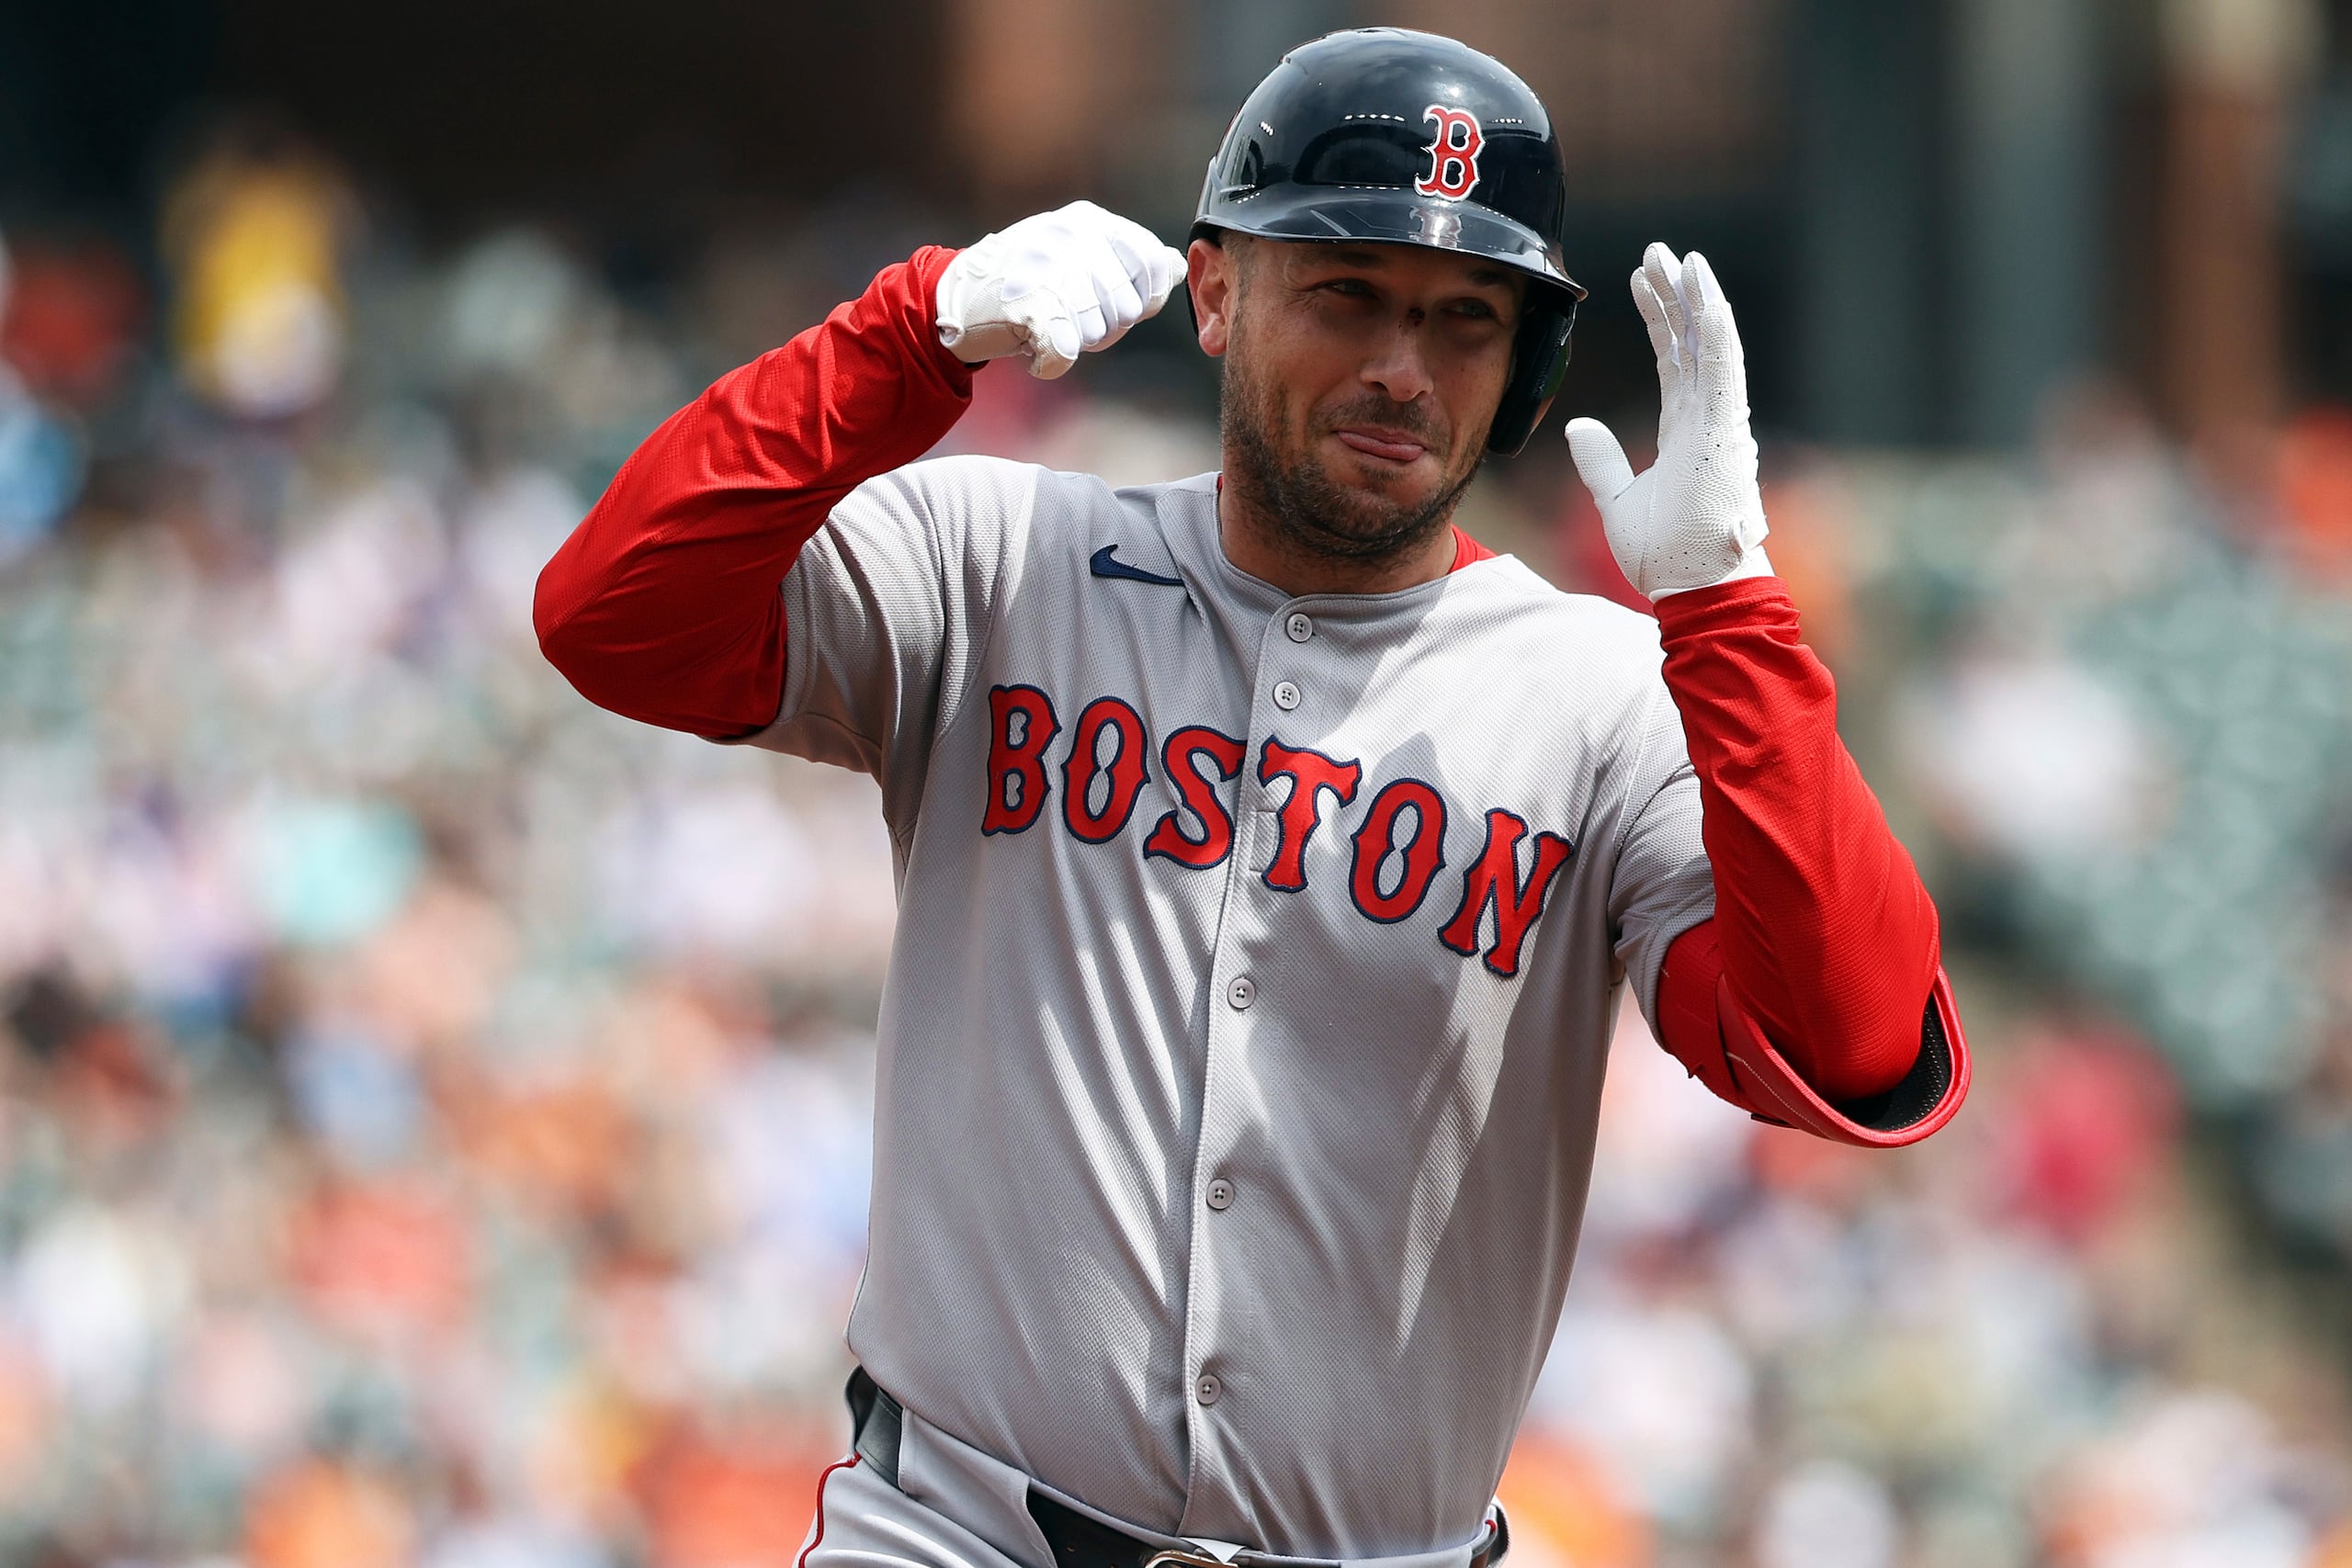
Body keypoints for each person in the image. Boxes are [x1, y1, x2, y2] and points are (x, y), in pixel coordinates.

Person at [535, 28, 1969, 1568]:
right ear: (1216, 291)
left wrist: (1731, 613)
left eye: (1465, 318)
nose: (1402, 368)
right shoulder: (998, 558)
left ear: (1524, 366)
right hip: (954, 1532)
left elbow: (1848, 1041)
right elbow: (614, 615)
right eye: (1346, 292)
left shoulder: (1606, 697)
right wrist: (908, 335)